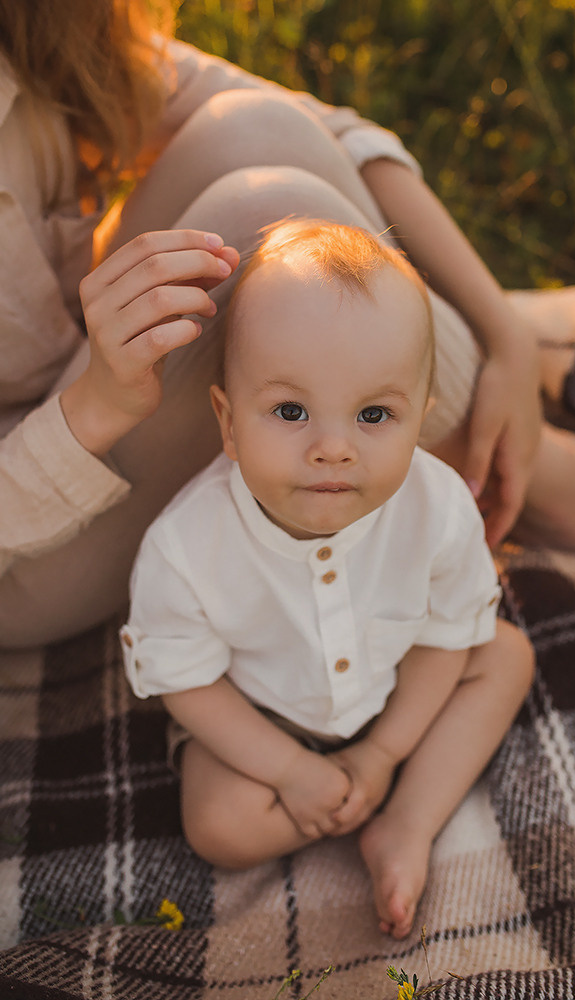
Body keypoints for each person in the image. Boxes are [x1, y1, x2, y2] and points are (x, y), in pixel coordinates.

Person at [1, 0, 575, 649]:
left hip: (80, 375)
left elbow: (323, 129)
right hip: (26, 540)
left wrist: (505, 335)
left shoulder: (37, 22)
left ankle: (526, 457)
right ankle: (551, 484)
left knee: (255, 126)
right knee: (270, 225)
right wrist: (95, 405)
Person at [120, 219, 535, 940]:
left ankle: (406, 822)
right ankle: (332, 792)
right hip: (262, 716)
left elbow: (443, 641)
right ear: (227, 421)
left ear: (418, 421)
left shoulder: (436, 510)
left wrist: (381, 752)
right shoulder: (186, 546)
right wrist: (288, 770)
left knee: (503, 656)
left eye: (374, 414)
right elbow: (188, 682)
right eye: (289, 411)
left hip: (398, 689)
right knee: (218, 827)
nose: (333, 449)